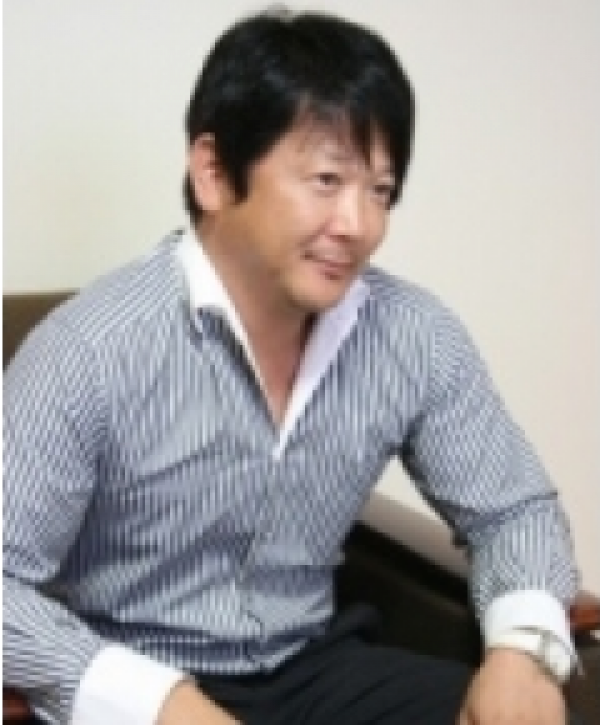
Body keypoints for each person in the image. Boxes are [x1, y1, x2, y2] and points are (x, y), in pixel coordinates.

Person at [3, 7, 583, 725]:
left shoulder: (412, 333)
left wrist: (521, 653)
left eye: (380, 190)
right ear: (214, 172)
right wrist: (156, 702)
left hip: (314, 668)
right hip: (138, 674)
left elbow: (515, 508)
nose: (358, 225)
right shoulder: (90, 348)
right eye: (327, 179)